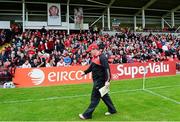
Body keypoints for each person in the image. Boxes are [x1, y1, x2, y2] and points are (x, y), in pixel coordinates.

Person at [79, 43, 117, 120]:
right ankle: (112, 110)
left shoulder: (102, 58)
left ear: (94, 49)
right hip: (97, 80)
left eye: (90, 51)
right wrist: (85, 72)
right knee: (104, 96)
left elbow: (107, 70)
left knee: (95, 98)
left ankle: (87, 115)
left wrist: (107, 81)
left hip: (100, 81)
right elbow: (91, 67)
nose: (89, 52)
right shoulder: (94, 57)